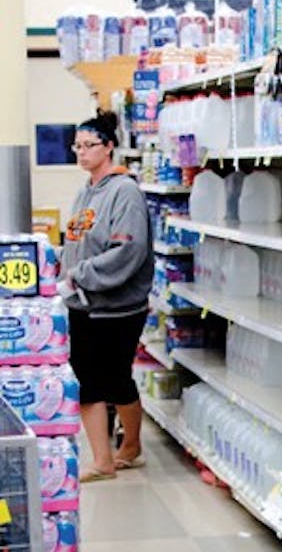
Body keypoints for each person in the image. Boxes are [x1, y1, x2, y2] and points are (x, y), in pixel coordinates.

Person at [58, 111, 154, 483]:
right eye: (77, 146)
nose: (81, 153)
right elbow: (78, 240)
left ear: (109, 147)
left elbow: (128, 251)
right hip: (82, 303)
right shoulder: (87, 190)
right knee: (87, 380)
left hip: (117, 308)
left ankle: (130, 446)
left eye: (89, 146)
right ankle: (103, 460)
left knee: (116, 381)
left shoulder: (124, 191)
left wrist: (79, 275)